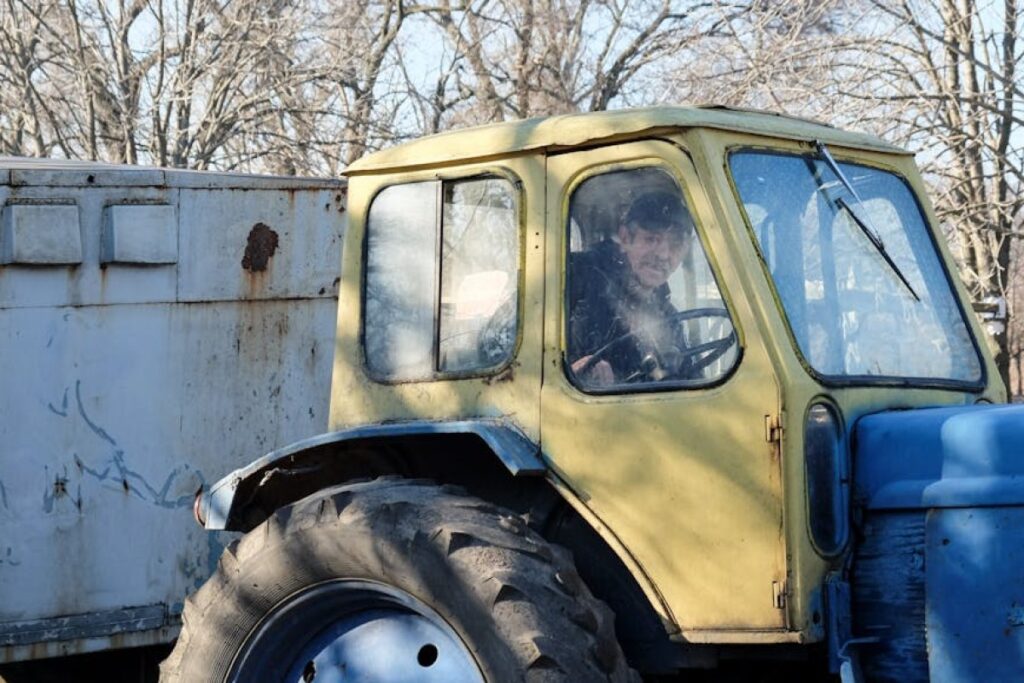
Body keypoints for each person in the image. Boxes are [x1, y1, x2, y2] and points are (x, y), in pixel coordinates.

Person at [568, 190, 694, 386]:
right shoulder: (575, 277)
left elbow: (691, 380)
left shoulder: (669, 317)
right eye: (651, 239)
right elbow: (510, 347)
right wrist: (569, 372)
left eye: (675, 245)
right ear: (625, 238)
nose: (663, 254)